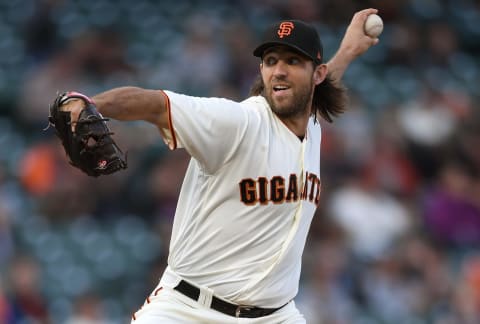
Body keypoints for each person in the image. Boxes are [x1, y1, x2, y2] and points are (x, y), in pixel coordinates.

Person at [59, 8, 379, 323]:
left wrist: (348, 50)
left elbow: (313, 92)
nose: (279, 71)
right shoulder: (238, 122)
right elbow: (156, 103)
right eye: (271, 61)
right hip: (188, 308)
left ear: (317, 74)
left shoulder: (310, 121)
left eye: (292, 61)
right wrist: (88, 103)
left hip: (275, 316)